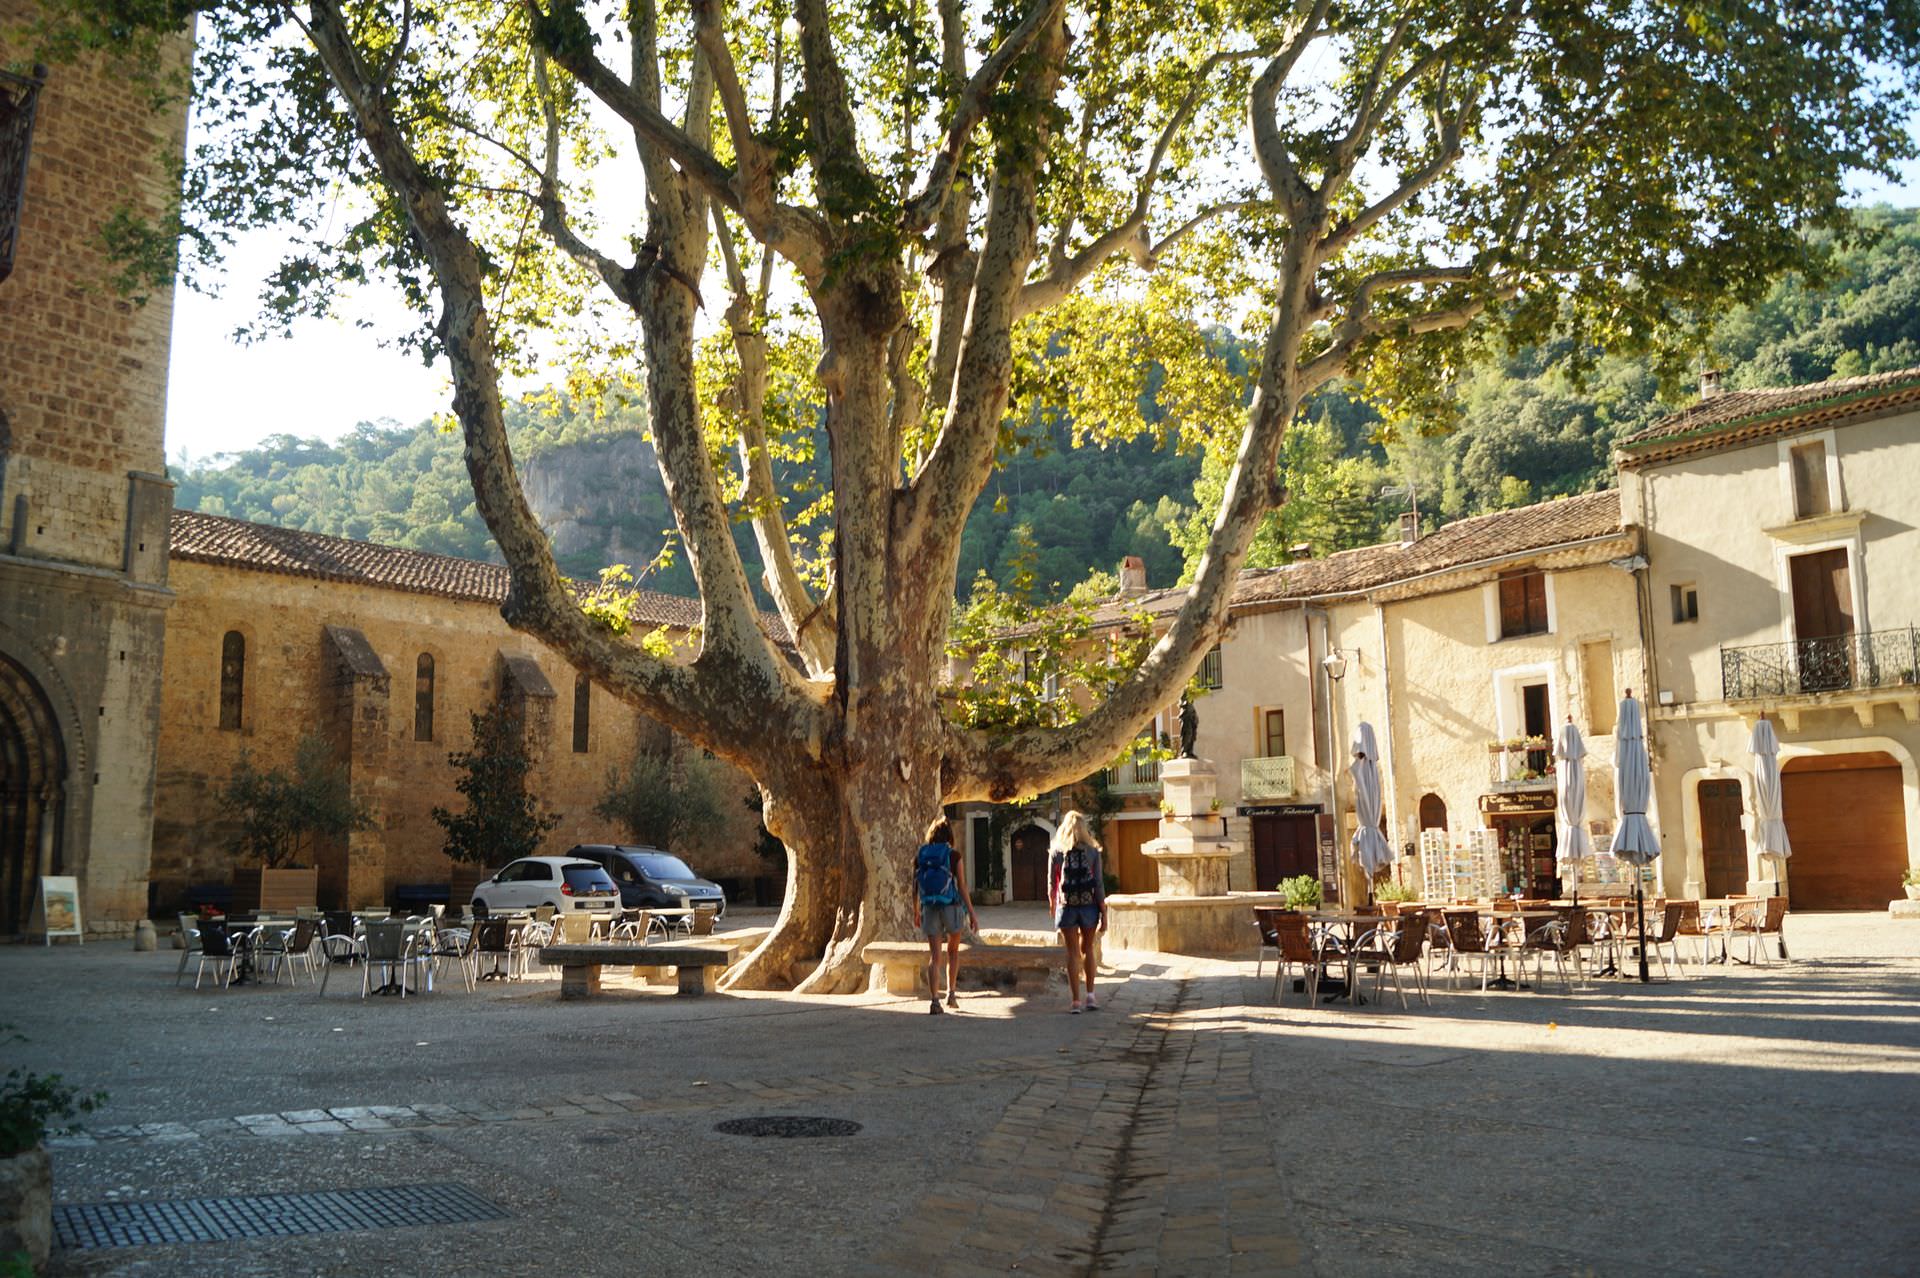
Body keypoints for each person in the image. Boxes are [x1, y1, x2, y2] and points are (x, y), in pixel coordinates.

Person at [911, 817, 977, 1014]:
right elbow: (963, 887)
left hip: (929, 907)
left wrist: (915, 910)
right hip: (951, 907)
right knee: (953, 952)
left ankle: (934, 1001)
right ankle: (951, 993)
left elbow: (914, 886)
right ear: (949, 835)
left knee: (935, 956)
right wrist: (972, 914)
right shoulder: (953, 855)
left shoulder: (921, 855)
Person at [1048, 811, 1108, 1013]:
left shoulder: (1056, 851)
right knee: (1088, 949)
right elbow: (1098, 884)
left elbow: (1051, 885)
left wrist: (1053, 906)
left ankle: (1075, 1001)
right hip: (1089, 905)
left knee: (1072, 952)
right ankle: (1091, 996)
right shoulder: (1092, 851)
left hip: (1067, 906)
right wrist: (1104, 912)